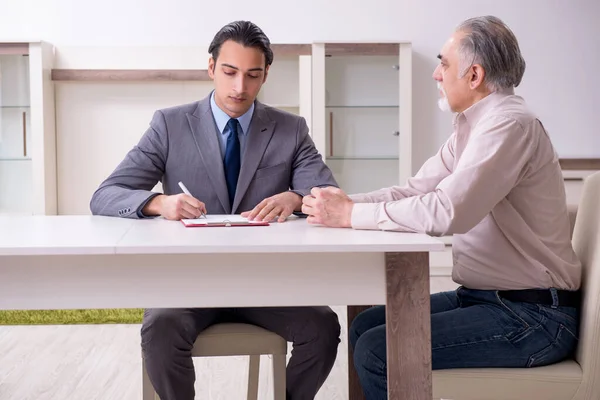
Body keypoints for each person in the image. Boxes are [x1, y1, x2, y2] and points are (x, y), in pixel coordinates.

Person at [301, 15, 581, 399]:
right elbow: (414, 191)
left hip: (534, 318)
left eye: (444, 63)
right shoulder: (473, 127)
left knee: (376, 350)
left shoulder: (509, 126)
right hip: (487, 298)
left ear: (474, 75)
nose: (436, 74)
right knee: (365, 326)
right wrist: (344, 204)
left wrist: (350, 216)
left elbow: (449, 211)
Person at [90, 20, 341, 400]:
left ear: (265, 75)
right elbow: (106, 194)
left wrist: (294, 198)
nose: (240, 87)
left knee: (323, 326)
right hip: (190, 281)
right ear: (211, 68)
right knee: (160, 328)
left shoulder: (290, 129)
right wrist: (161, 203)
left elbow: (327, 193)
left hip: (265, 285)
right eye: (230, 72)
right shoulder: (170, 125)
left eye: (252, 75)